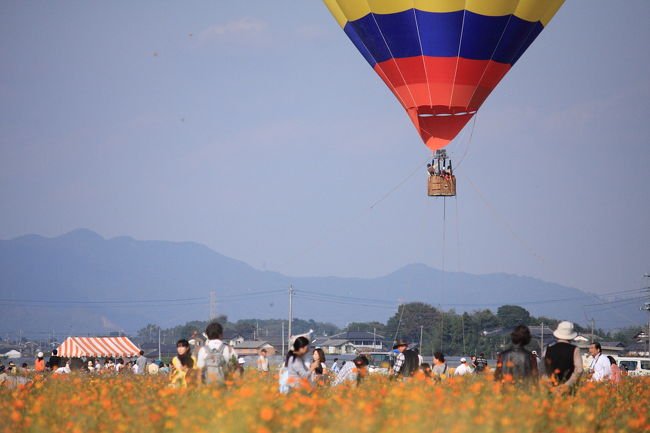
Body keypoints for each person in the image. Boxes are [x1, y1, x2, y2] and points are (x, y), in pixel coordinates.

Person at [543, 321, 583, 391]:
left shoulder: (548, 349)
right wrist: (567, 385)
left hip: (551, 388)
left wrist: (549, 384)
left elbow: (542, 369)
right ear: (571, 336)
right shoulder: (575, 349)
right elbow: (579, 370)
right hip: (568, 389)